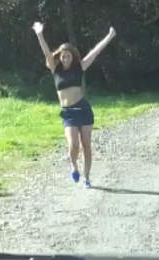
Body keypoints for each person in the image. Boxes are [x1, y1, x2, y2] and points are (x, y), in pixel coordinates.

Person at [32, 21, 116, 188]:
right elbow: (46, 52)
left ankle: (87, 178)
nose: (65, 58)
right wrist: (39, 34)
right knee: (73, 145)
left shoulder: (80, 67)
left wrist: (109, 36)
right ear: (60, 57)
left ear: (73, 57)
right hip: (68, 113)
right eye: (63, 56)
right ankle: (74, 165)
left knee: (86, 146)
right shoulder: (55, 69)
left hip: (83, 110)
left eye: (68, 56)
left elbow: (95, 52)